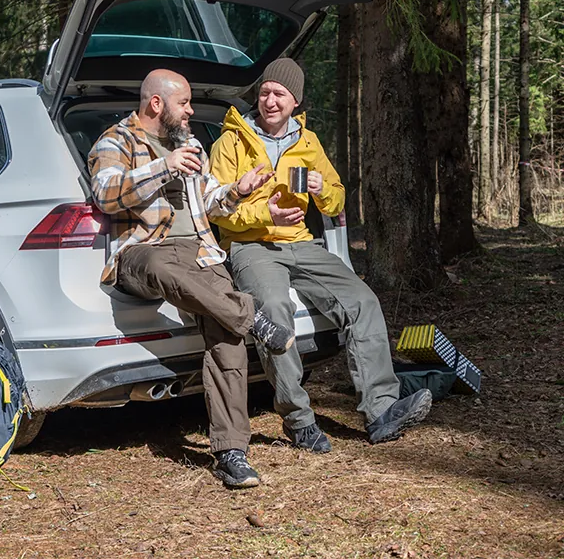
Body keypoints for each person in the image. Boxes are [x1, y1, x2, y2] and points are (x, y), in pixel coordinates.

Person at [209, 58, 432, 452]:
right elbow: (216, 210)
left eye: (279, 94)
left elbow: (336, 200)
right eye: (264, 93)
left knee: (362, 301)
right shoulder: (231, 141)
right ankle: (298, 420)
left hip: (301, 242)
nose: (270, 101)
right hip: (251, 245)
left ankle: (380, 411)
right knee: (274, 310)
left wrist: (320, 189)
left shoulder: (308, 142)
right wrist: (265, 212)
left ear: (295, 100)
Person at [87, 68, 294, 488]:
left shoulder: (190, 144)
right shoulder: (116, 141)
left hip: (200, 253)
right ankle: (252, 316)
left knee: (227, 333)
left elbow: (210, 202)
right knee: (167, 268)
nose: (191, 111)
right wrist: (164, 167)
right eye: (184, 103)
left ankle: (232, 452)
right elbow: (106, 194)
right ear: (156, 104)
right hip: (143, 254)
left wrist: (237, 189)